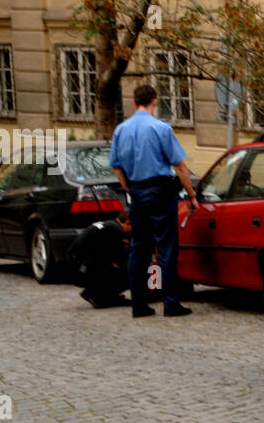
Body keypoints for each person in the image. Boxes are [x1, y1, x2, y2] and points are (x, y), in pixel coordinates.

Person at [109, 84, 198, 318]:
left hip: (137, 194)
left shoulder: (121, 130)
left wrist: (129, 187)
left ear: (133, 102)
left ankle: (138, 304)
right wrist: (192, 195)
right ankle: (171, 303)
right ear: (155, 101)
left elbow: (116, 166)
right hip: (160, 192)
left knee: (139, 249)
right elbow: (180, 166)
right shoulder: (161, 128)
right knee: (166, 248)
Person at [70, 210, 131, 308]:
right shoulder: (117, 231)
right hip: (80, 269)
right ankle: (94, 294)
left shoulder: (110, 225)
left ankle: (106, 296)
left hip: (76, 265)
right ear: (127, 223)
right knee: (128, 272)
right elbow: (123, 259)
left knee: (111, 263)